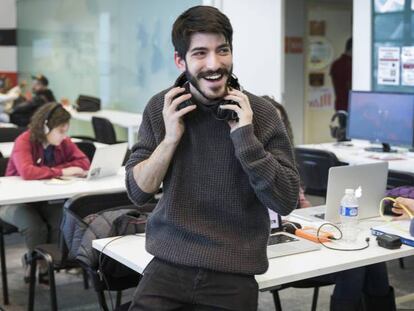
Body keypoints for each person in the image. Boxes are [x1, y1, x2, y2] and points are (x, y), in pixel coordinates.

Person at [125, 6, 300, 311]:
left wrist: (245, 137)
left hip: (233, 273)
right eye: (200, 53)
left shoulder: (262, 114)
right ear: (180, 60)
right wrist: (170, 139)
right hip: (168, 265)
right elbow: (138, 191)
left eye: (222, 51)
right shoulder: (161, 108)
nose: (214, 64)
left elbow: (285, 200)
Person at [262, 95, 395, 311]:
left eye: (279, 125)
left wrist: (313, 216)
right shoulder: (249, 161)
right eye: (267, 124)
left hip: (301, 233)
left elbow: (301, 204)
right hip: (277, 247)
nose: (274, 132)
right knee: (354, 266)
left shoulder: (285, 160)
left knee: (371, 259)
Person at [0, 102, 90, 282]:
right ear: (45, 126)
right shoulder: (24, 140)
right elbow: (28, 171)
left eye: (66, 131)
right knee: (35, 226)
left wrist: (56, 168)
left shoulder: (63, 142)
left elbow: (84, 163)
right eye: (61, 131)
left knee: (62, 219)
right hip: (13, 201)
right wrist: (63, 170)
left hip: (44, 200)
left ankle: (45, 262)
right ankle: (38, 266)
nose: (64, 136)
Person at [262, 95, 311, 208]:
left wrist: (304, 205)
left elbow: (300, 202)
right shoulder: (254, 157)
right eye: (271, 122)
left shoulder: (286, 154)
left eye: (280, 121)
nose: (277, 128)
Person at [330, 38, 352, 112]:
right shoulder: (350, 65)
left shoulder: (336, 64)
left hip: (340, 105)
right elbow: (349, 86)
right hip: (350, 105)